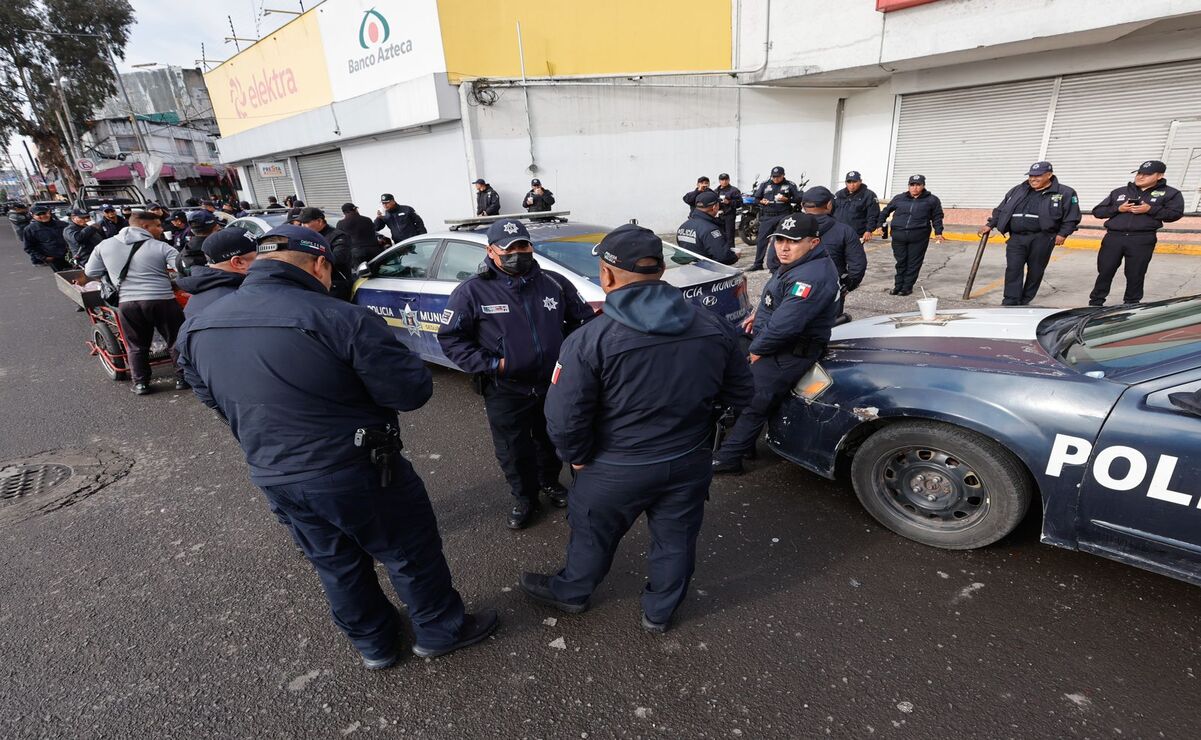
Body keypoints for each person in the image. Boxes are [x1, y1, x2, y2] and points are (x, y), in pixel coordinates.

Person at [176, 224, 498, 669]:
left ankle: (375, 646)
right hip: (357, 467)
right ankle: (440, 630)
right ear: (321, 264)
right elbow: (410, 392)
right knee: (407, 551)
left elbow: (210, 396)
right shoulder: (338, 317)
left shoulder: (199, 324)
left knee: (334, 563)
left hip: (274, 471)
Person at [519, 224, 754, 632]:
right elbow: (741, 392)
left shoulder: (591, 339)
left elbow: (563, 417)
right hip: (687, 459)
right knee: (676, 539)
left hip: (613, 467)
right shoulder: (712, 325)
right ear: (661, 270)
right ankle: (659, 612)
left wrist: (576, 458)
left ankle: (573, 592)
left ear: (606, 275)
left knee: (592, 534)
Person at [437, 218, 595, 529]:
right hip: (506, 388)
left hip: (552, 385)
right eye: (508, 248)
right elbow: (451, 338)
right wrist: (496, 365)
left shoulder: (554, 283)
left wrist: (569, 358)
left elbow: (584, 323)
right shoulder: (471, 292)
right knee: (513, 449)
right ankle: (525, 498)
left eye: (522, 246)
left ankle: (549, 482)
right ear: (491, 251)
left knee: (550, 441)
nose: (516, 253)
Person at [713, 214, 841, 474]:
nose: (783, 247)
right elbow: (778, 299)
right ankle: (743, 444)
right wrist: (758, 314)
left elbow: (786, 326)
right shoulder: (799, 263)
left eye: (792, 242)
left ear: (813, 242)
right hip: (774, 339)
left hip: (789, 349)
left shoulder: (810, 278)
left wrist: (757, 351)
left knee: (754, 401)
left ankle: (729, 458)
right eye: (779, 240)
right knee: (734, 377)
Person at [80, 211, 186, 395]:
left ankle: (141, 383)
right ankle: (183, 378)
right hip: (162, 300)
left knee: (136, 345)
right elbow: (182, 269)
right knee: (175, 340)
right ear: (145, 226)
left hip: (128, 303)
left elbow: (91, 271)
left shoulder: (104, 245)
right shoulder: (160, 246)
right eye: (158, 225)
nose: (161, 230)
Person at [979, 161, 1081, 306]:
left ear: (1049, 175)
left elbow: (1072, 216)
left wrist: (1063, 233)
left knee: (1036, 270)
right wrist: (990, 224)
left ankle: (1025, 299)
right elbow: (1001, 209)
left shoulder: (1064, 192)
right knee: (1013, 268)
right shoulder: (1017, 190)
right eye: (1031, 176)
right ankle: (1011, 300)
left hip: (1043, 238)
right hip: (1017, 237)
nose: (1033, 179)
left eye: (1038, 176)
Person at [1088, 159, 1186, 306]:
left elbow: (1175, 214)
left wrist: (1150, 209)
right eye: (1139, 173)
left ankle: (1131, 304)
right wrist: (1118, 209)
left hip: (1142, 239)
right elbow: (1098, 211)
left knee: (1136, 273)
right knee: (1105, 271)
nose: (1140, 177)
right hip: (1114, 237)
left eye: (1147, 174)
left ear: (1159, 176)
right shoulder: (1120, 192)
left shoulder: (1171, 193)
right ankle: (1096, 302)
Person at [878, 175, 945, 296]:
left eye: (918, 185)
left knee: (913, 263)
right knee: (901, 261)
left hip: (919, 236)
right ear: (908, 186)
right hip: (899, 235)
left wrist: (939, 232)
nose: (915, 188)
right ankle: (898, 286)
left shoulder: (932, 200)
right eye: (912, 185)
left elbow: (937, 217)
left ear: (923, 186)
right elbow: (885, 211)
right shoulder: (899, 198)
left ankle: (907, 287)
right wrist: (879, 225)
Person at [175, 227, 258, 319]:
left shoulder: (200, 296)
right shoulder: (243, 300)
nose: (267, 259)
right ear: (238, 262)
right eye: (260, 255)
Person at [801, 186, 866, 296]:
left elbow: (773, 260)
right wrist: (846, 287)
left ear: (802, 205)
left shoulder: (790, 226)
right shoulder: (845, 230)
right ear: (829, 204)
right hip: (831, 288)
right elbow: (858, 266)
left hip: (797, 287)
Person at [750, 166, 801, 273]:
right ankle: (758, 263)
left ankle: (779, 265)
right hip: (768, 216)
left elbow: (798, 199)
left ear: (783, 175)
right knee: (761, 240)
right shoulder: (765, 184)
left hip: (783, 215)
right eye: (773, 176)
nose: (775, 179)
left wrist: (787, 199)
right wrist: (761, 201)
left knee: (781, 240)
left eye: (778, 177)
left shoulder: (790, 185)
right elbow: (756, 198)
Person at [299, 206, 353, 300]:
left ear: (319, 221)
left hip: (335, 285)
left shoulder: (337, 236)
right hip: (313, 284)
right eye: (302, 223)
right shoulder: (306, 237)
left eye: (306, 223)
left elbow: (339, 258)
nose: (303, 226)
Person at [677, 190, 738, 264]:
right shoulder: (711, 230)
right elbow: (723, 257)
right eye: (718, 205)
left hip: (690, 270)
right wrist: (735, 256)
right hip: (708, 272)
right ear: (714, 207)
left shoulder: (683, 226)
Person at [833, 171, 880, 244]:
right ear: (845, 183)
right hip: (838, 233)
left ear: (860, 181)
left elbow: (873, 215)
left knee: (852, 255)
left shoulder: (869, 195)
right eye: (849, 182)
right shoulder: (839, 194)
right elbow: (832, 211)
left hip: (856, 235)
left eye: (854, 182)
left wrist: (869, 230)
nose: (852, 185)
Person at [22, 205, 71, 271]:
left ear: (49, 212)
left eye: (44, 213)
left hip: (70, 256)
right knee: (64, 277)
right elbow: (28, 247)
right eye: (39, 214)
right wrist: (43, 258)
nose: (43, 216)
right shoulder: (30, 229)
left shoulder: (63, 224)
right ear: (33, 216)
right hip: (54, 260)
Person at [715, 173, 742, 253]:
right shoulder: (716, 191)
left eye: (726, 179)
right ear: (719, 181)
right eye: (722, 180)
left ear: (729, 180)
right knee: (719, 234)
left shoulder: (734, 190)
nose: (724, 181)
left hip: (729, 215)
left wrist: (729, 202)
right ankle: (722, 251)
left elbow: (740, 203)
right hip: (718, 215)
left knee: (729, 235)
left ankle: (731, 252)